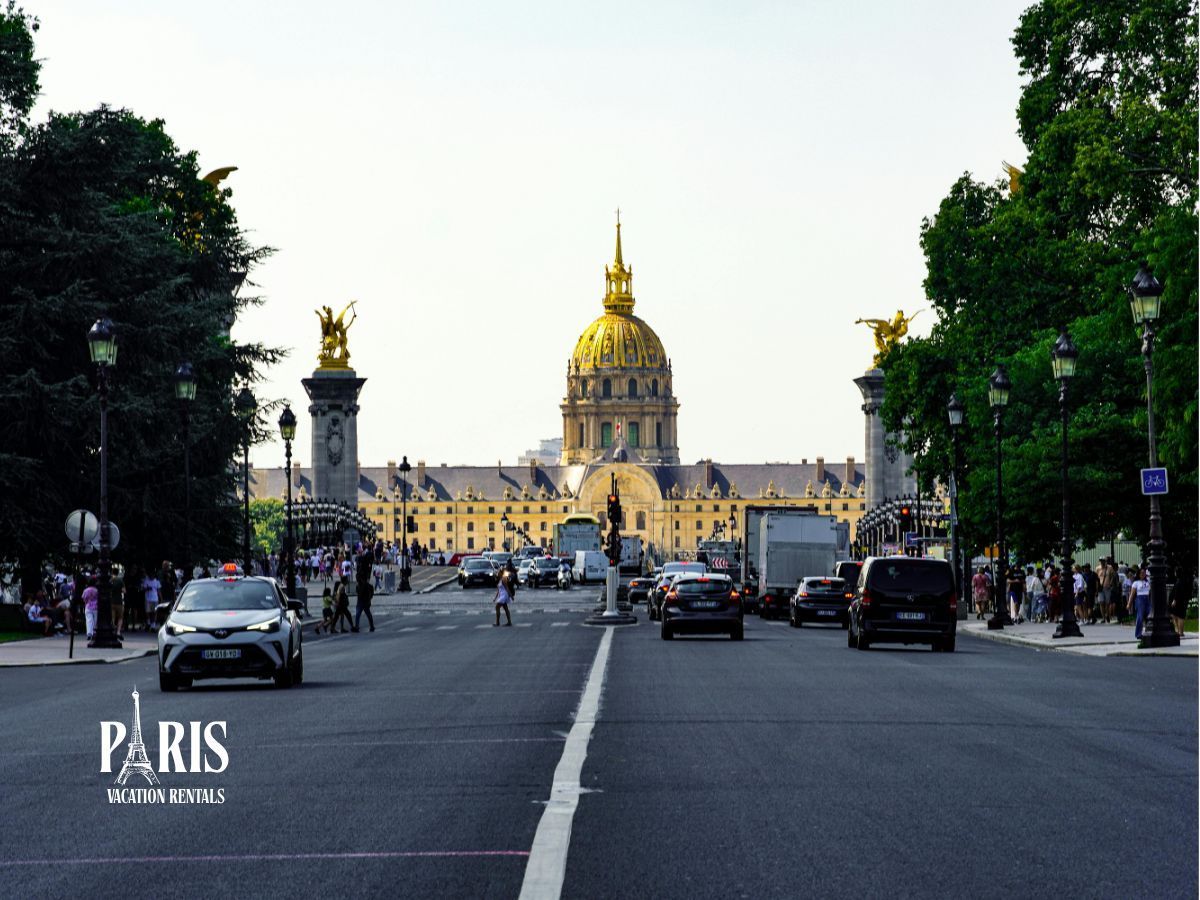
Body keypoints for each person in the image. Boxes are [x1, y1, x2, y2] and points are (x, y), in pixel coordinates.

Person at [353, 550, 375, 633]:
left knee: (359, 613)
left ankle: (357, 626)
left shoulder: (362, 566)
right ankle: (371, 626)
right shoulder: (366, 565)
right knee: (367, 613)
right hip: (365, 598)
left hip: (362, 598)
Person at [1127, 567, 1151, 640]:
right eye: (1141, 573)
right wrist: (1129, 604)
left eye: (1144, 573)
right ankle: (1138, 633)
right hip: (1140, 599)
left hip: (1147, 599)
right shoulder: (1136, 583)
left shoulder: (1147, 582)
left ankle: (1148, 631)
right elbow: (1132, 594)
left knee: (1149, 616)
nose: (1143, 574)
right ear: (1138, 574)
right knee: (1140, 617)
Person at [1169, 565, 1191, 638]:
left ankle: (1180, 631)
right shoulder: (1184, 580)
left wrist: (1174, 600)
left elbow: (1177, 592)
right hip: (1182, 601)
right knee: (1178, 615)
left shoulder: (1179, 581)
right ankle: (1179, 631)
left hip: (1178, 601)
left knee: (1178, 616)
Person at [141, 568, 161, 632]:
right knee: (148, 612)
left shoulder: (157, 581)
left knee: (154, 612)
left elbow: (159, 590)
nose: (151, 575)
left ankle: (153, 626)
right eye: (150, 574)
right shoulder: (146, 581)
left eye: (152, 574)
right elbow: (143, 589)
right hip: (148, 598)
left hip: (155, 599)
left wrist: (161, 598)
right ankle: (149, 623)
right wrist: (147, 589)